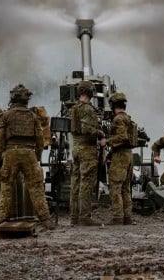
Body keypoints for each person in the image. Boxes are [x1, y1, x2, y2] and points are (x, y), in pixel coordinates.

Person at [0, 84, 55, 230]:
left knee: (6, 187)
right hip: (29, 154)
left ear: (12, 98)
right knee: (36, 187)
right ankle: (46, 221)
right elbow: (39, 139)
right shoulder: (32, 116)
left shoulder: (5, 116)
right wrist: (37, 157)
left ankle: (2, 220)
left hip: (11, 153)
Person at [69, 80, 104, 226]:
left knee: (75, 182)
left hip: (76, 148)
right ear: (90, 93)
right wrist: (100, 132)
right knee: (86, 183)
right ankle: (84, 217)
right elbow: (87, 130)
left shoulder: (74, 108)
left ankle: (74, 218)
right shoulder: (88, 109)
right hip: (87, 149)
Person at [106, 91, 134, 225]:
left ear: (113, 105)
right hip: (128, 155)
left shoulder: (118, 119)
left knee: (115, 186)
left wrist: (106, 141)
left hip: (121, 156)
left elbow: (122, 137)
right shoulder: (128, 118)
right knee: (126, 187)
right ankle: (127, 217)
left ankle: (118, 217)